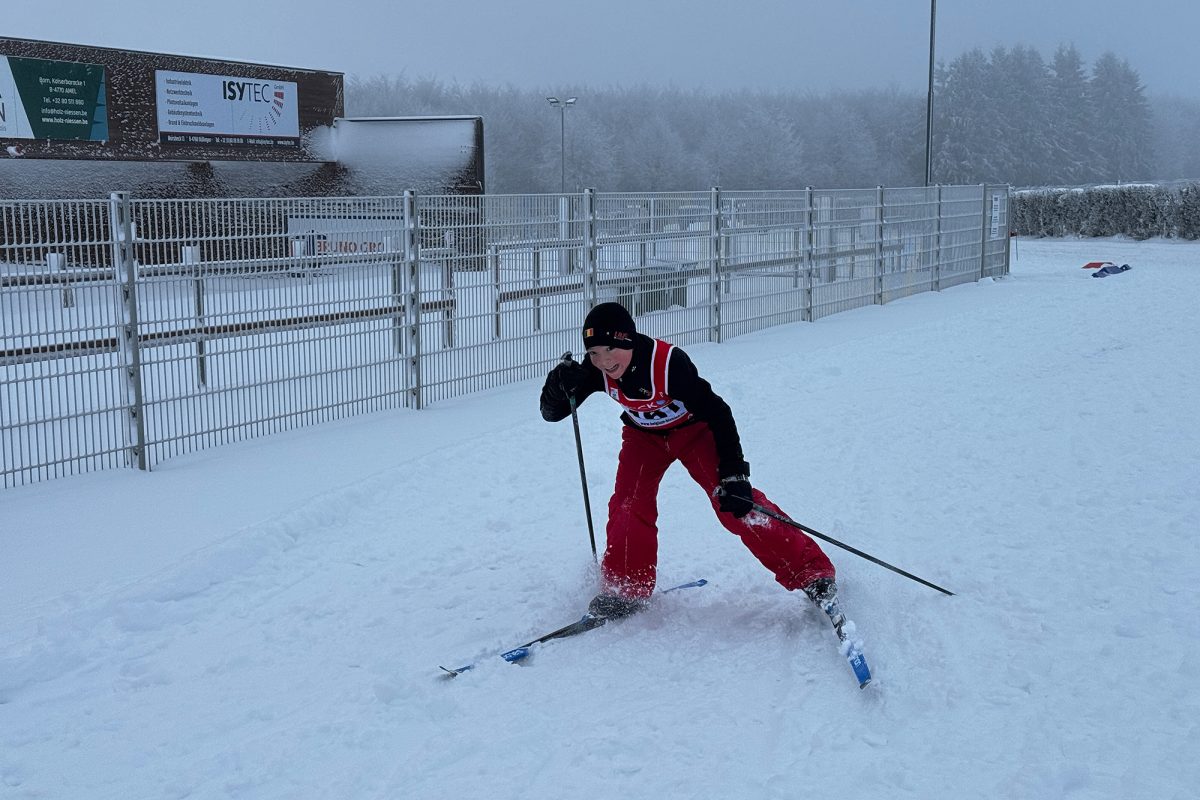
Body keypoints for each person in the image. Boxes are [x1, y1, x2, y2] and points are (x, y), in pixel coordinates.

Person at [539, 301, 845, 626]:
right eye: (595, 353)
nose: (604, 360)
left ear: (628, 340)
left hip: (694, 431)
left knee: (735, 505)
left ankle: (813, 574)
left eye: (611, 349)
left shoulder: (667, 363)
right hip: (644, 438)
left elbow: (718, 412)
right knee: (628, 505)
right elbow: (553, 413)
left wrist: (734, 474)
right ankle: (626, 589)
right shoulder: (595, 370)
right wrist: (557, 386)